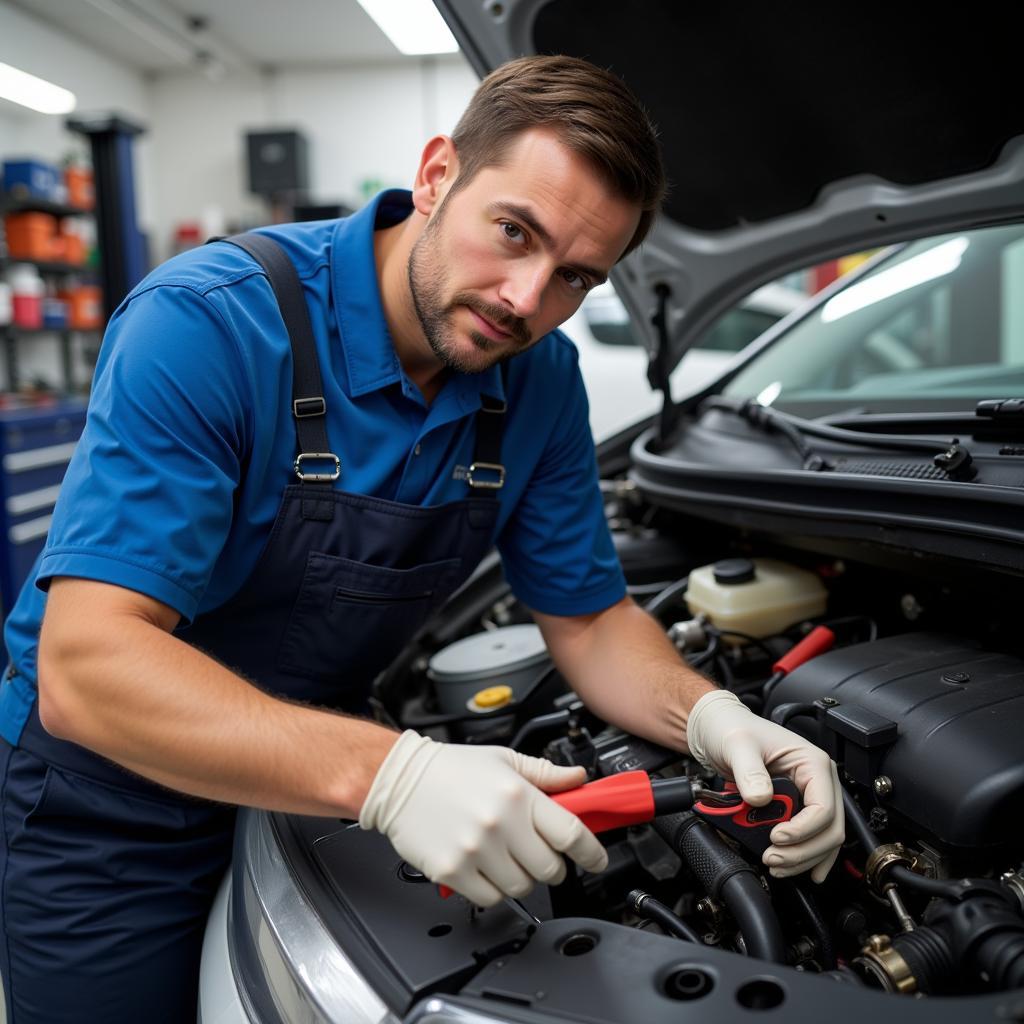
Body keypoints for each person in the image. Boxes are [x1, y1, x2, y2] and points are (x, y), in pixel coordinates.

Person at [0, 55, 844, 1021]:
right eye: (514, 232)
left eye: (574, 276)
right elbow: (86, 668)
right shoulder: (209, 323)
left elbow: (593, 621)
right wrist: (393, 775)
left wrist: (712, 718)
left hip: (317, 778)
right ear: (438, 174)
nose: (527, 300)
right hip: (112, 801)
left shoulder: (540, 382)